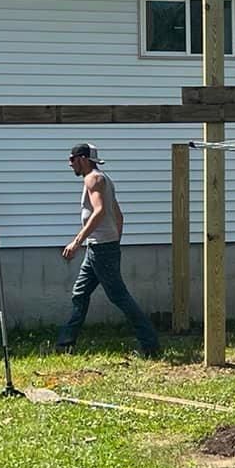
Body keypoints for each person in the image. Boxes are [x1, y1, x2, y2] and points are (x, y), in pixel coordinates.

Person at [55, 142, 161, 356]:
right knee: (80, 293)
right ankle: (65, 343)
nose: (70, 164)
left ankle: (150, 344)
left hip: (102, 249)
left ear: (83, 159)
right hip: (100, 248)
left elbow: (100, 211)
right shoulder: (103, 179)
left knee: (119, 296)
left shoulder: (93, 179)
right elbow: (119, 216)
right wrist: (114, 241)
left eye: (72, 160)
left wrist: (76, 242)